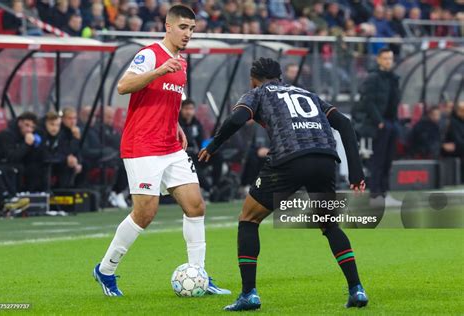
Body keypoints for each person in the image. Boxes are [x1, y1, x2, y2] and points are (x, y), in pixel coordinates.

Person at [199, 58, 368, 311]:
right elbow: (344, 123)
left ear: (254, 78)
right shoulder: (308, 94)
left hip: (289, 159)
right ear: (280, 77)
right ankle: (357, 290)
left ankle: (249, 294)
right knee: (329, 224)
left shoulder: (257, 93)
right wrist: (356, 172)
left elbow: (237, 119)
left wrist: (212, 146)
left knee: (248, 219)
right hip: (325, 159)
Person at [93, 4, 230, 297]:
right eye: (183, 27)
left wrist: (177, 124)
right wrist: (157, 71)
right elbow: (123, 86)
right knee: (145, 213)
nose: (188, 34)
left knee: (196, 206)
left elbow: (168, 100)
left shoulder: (181, 62)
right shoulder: (150, 54)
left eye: (192, 29)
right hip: (142, 145)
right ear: (168, 27)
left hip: (170, 145)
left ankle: (199, 275)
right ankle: (105, 270)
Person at [352, 47, 400, 199]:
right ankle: (375, 194)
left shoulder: (393, 78)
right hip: (378, 124)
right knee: (377, 161)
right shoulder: (372, 78)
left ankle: (385, 193)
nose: (388, 61)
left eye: (390, 59)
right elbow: (368, 101)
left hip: (391, 123)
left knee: (388, 160)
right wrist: (379, 121)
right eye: (385, 58)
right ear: (379, 59)